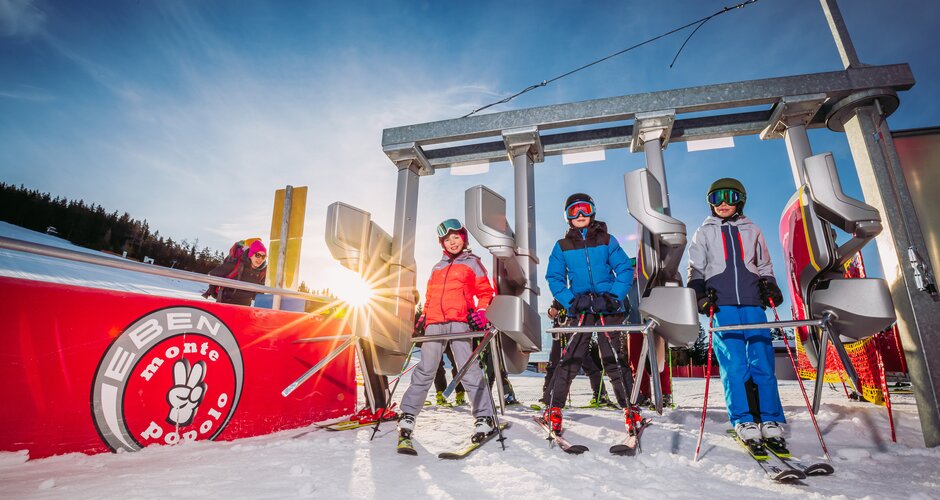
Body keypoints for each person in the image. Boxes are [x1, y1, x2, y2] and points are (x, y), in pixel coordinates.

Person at [687, 177, 787, 446]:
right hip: (722, 303)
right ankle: (743, 418)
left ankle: (770, 418)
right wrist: (699, 294)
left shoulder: (752, 228)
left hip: (753, 301)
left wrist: (770, 286)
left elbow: (764, 264)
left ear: (739, 200)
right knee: (734, 364)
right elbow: (696, 268)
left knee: (762, 361)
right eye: (715, 198)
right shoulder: (704, 231)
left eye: (728, 197)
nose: (722, 203)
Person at [397, 218, 497, 449]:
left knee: (468, 369)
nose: (452, 242)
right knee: (425, 370)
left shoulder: (473, 263)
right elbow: (430, 295)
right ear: (442, 243)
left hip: (460, 322)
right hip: (435, 324)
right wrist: (423, 317)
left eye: (456, 238)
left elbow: (485, 291)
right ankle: (408, 414)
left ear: (463, 239)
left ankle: (485, 416)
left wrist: (482, 312)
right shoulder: (437, 267)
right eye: (447, 239)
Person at [544, 193, 639, 434]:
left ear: (592, 212)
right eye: (573, 212)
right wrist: (571, 301)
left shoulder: (607, 240)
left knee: (614, 358)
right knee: (571, 356)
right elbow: (554, 277)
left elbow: (624, 269)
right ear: (567, 217)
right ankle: (554, 407)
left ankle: (629, 406)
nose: (579, 215)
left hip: (606, 305)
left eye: (584, 209)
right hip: (581, 307)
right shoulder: (562, 246)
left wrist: (613, 296)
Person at [542, 300, 611, 408]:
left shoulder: (576, 288)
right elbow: (553, 309)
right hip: (560, 331)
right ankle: (548, 395)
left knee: (585, 361)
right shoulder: (560, 291)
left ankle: (600, 393)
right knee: (554, 362)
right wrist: (551, 312)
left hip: (575, 329)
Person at [206, 239, 268, 306]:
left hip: (245, 307)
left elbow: (259, 293)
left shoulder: (262, 272)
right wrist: (214, 294)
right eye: (257, 255)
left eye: (263, 256)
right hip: (226, 304)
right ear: (251, 255)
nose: (260, 259)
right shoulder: (236, 265)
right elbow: (213, 274)